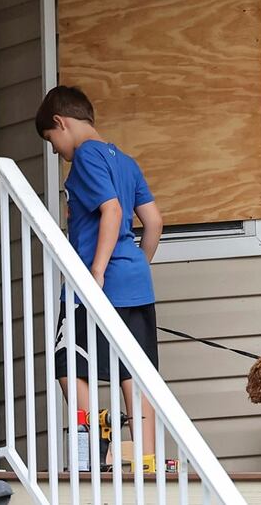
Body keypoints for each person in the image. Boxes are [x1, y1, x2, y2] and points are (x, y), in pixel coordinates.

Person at [35, 85, 164, 472]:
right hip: (135, 283)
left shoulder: (86, 156)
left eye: (51, 140)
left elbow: (111, 211)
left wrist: (97, 273)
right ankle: (145, 459)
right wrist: (134, 268)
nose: (56, 151)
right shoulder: (125, 161)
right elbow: (154, 222)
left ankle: (98, 437)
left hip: (95, 284)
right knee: (135, 373)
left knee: (68, 365)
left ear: (60, 122)